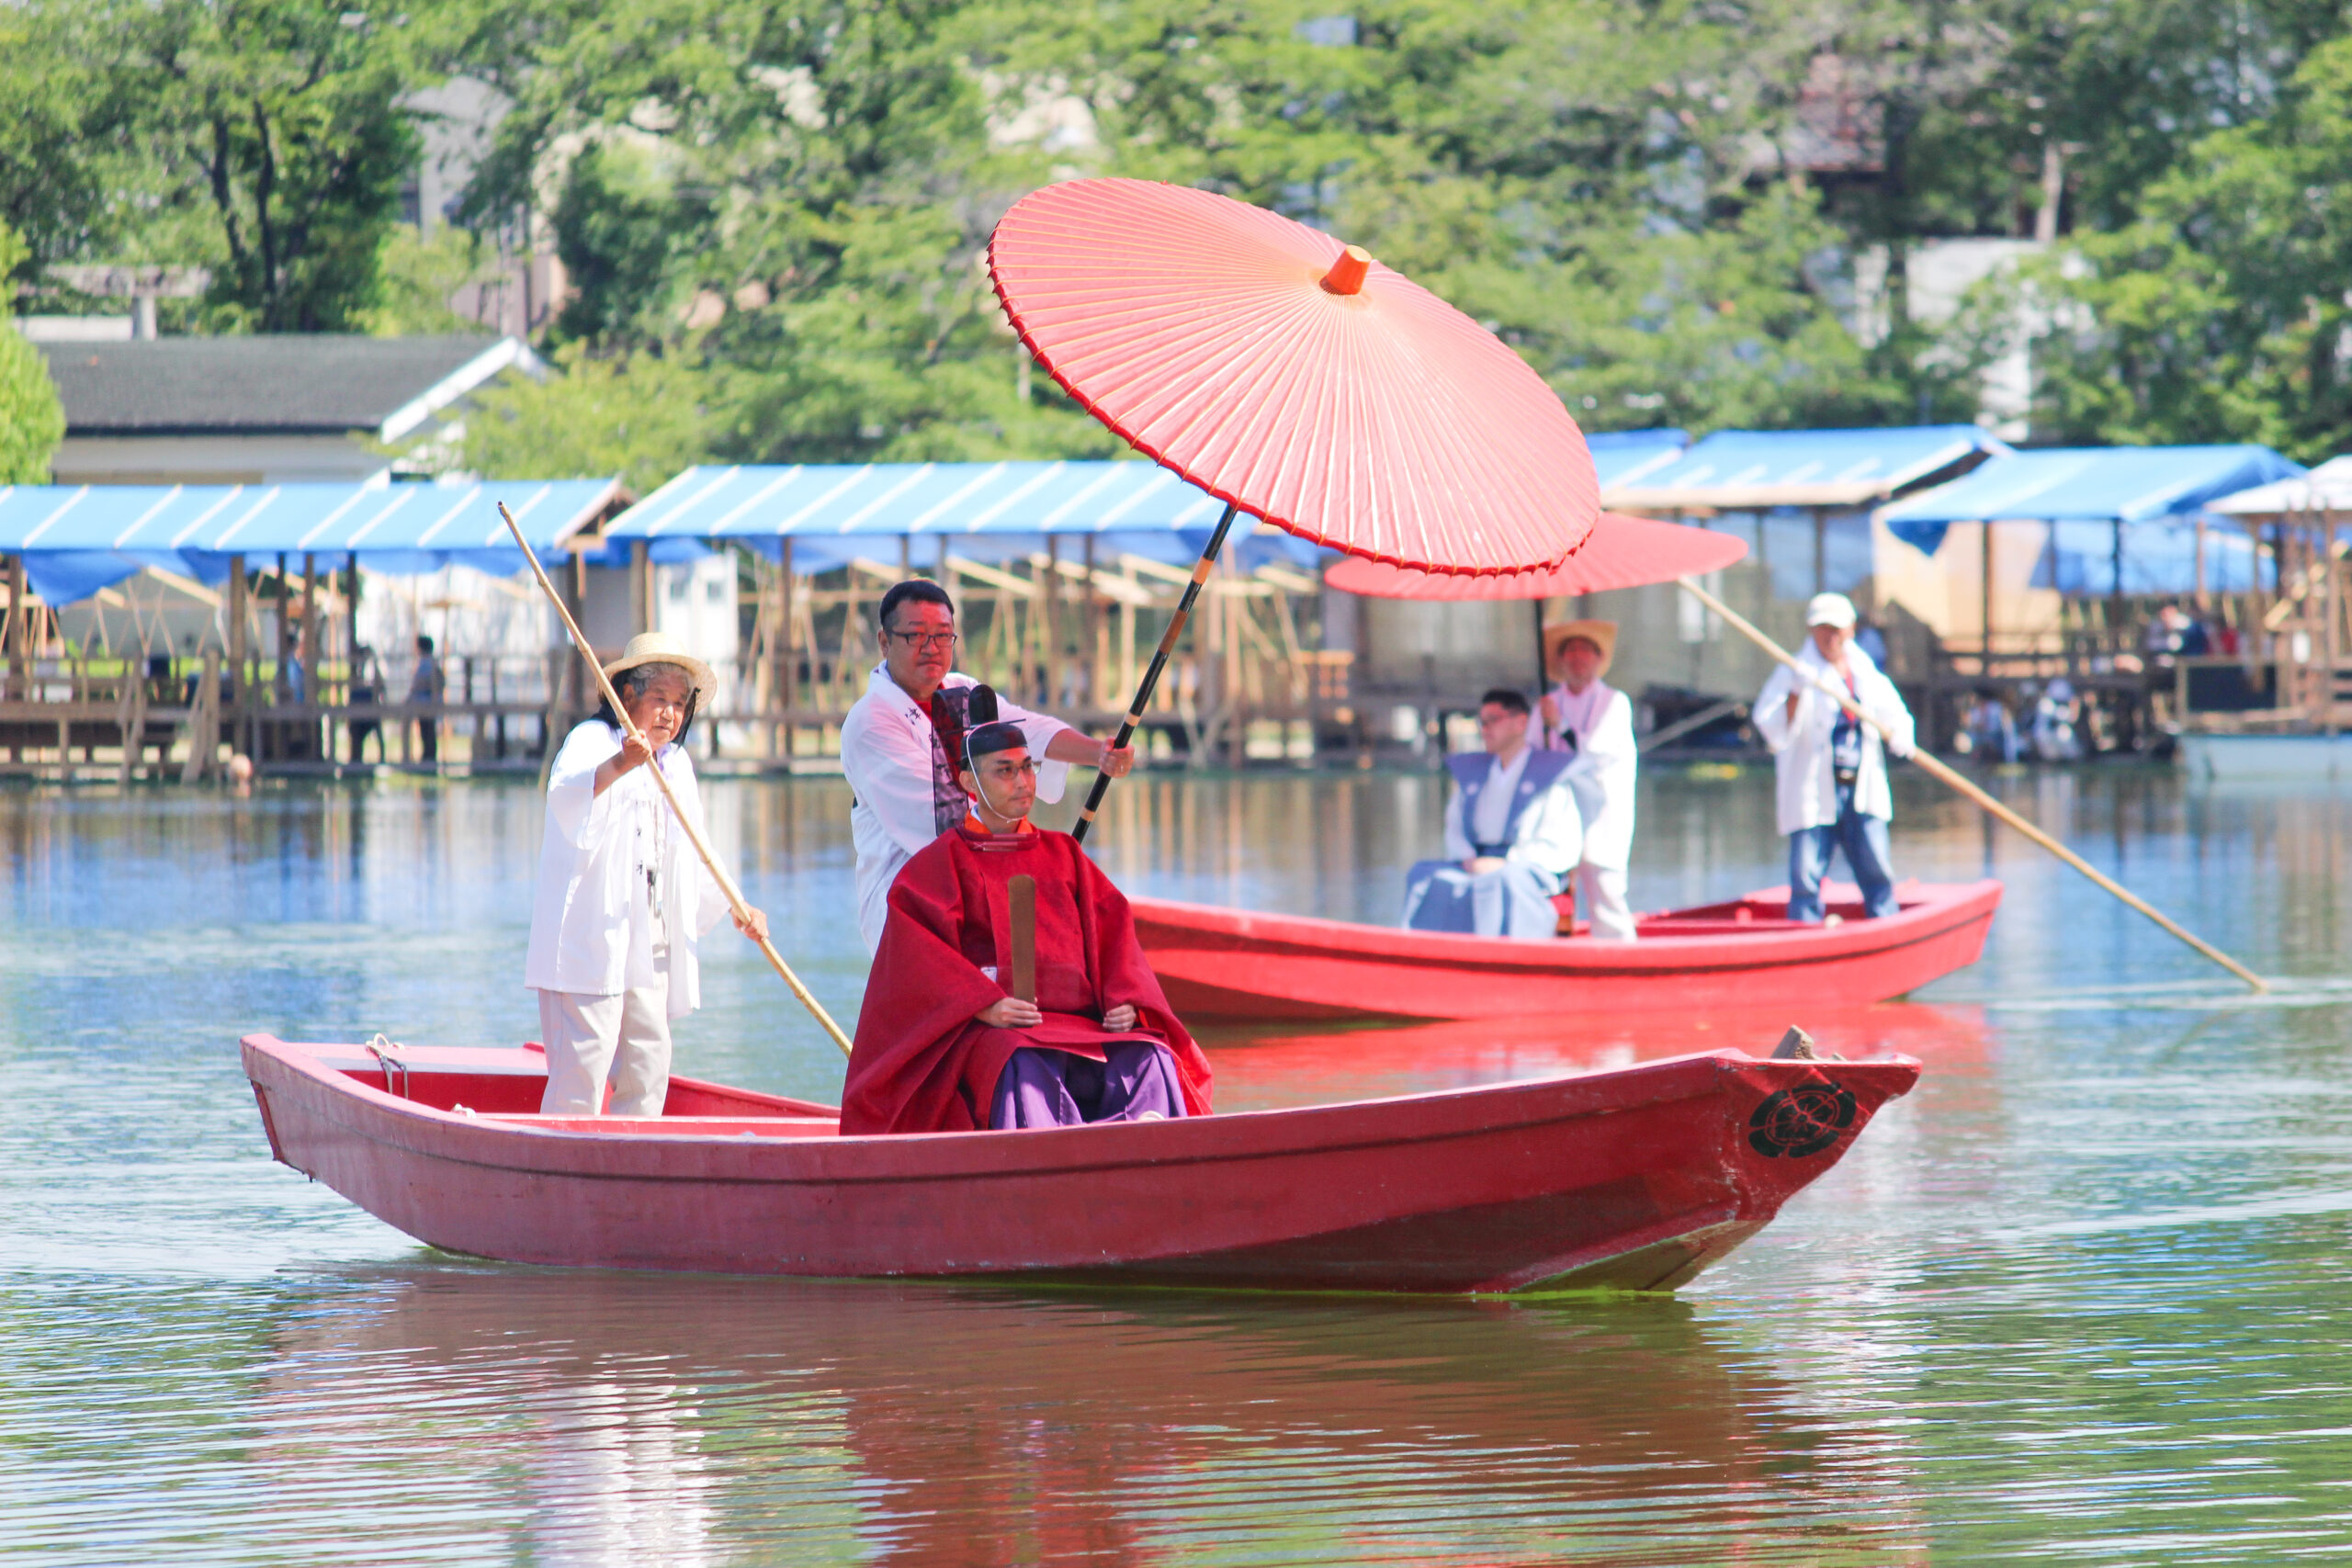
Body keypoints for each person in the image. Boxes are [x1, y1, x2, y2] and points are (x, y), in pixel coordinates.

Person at [842, 718, 1212, 1135]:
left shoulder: (1064, 853)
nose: (1022, 782)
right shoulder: (938, 865)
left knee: (1150, 1055)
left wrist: (1123, 999)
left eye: (1027, 768)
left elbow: (1113, 934)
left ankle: (1154, 1144)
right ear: (968, 781)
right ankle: (1051, 1158)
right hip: (992, 1032)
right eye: (1004, 771)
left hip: (1083, 1026)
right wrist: (983, 1005)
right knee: (1022, 1060)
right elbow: (917, 961)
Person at [524, 633, 769, 1117]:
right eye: (659, 700)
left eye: (679, 704)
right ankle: (566, 1166)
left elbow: (697, 845)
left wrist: (737, 906)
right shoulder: (592, 741)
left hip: (648, 934)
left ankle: (630, 1157)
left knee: (650, 1058)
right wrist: (621, 764)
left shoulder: (675, 764)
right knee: (585, 1064)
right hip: (591, 934)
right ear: (627, 696)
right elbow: (565, 798)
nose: (669, 715)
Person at [840, 579, 1136, 953]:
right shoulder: (870, 721)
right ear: (885, 642)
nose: (931, 649)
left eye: (943, 636)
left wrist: (1098, 752)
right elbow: (938, 821)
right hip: (908, 901)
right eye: (916, 636)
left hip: (988, 887)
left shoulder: (962, 691)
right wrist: (1040, 861)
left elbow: (1026, 729)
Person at [1754, 592, 1916, 924]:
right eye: (1822, 629)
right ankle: (1803, 935)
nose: (1830, 637)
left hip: (1858, 787)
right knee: (1806, 875)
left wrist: (1901, 734)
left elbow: (1895, 713)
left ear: (1850, 630)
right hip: (1813, 791)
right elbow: (1771, 728)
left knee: (1877, 870)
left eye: (1836, 629)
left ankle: (1884, 929)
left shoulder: (1863, 670)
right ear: (1811, 631)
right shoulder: (1794, 671)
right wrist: (1796, 693)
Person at [1401, 689, 1582, 942]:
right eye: (1481, 722)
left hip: (1524, 866)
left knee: (1505, 880)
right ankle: (1425, 953)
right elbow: (1454, 827)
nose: (1484, 729)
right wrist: (1467, 858)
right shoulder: (1473, 774)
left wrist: (1507, 861)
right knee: (1424, 875)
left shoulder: (1550, 776)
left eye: (1493, 720)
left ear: (1520, 723)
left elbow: (1559, 841)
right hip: (1475, 861)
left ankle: (1510, 958)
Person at [1537, 619, 1638, 941]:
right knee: (1555, 896)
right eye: (1571, 651)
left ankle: (1622, 961)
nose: (1578, 658)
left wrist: (1560, 725)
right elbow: (1532, 753)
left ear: (1598, 658)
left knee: (1605, 892)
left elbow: (1595, 751)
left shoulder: (1614, 702)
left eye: (1585, 651)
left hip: (1601, 814)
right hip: (1556, 815)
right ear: (1561, 660)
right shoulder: (1548, 704)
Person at [409, 634, 444, 763]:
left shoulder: (425, 663)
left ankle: (428, 757)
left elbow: (419, 683)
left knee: (427, 730)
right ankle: (428, 756)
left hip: (425, 702)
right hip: (428, 701)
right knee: (428, 730)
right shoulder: (432, 663)